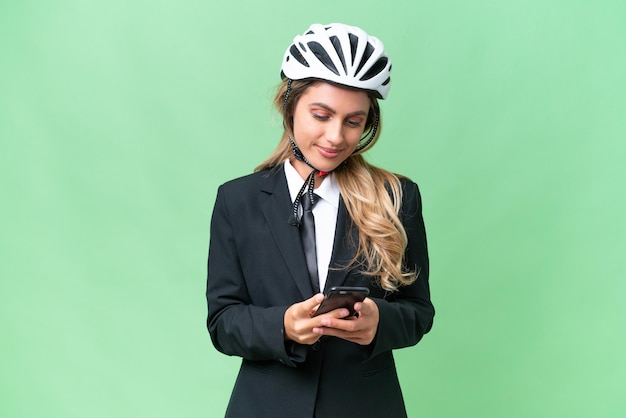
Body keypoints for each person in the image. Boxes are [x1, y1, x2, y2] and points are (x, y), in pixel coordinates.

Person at [206, 23, 434, 418]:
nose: (335, 137)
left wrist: (379, 321)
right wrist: (284, 325)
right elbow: (223, 321)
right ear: (289, 106)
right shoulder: (236, 200)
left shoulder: (397, 197)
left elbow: (418, 313)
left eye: (353, 121)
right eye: (321, 115)